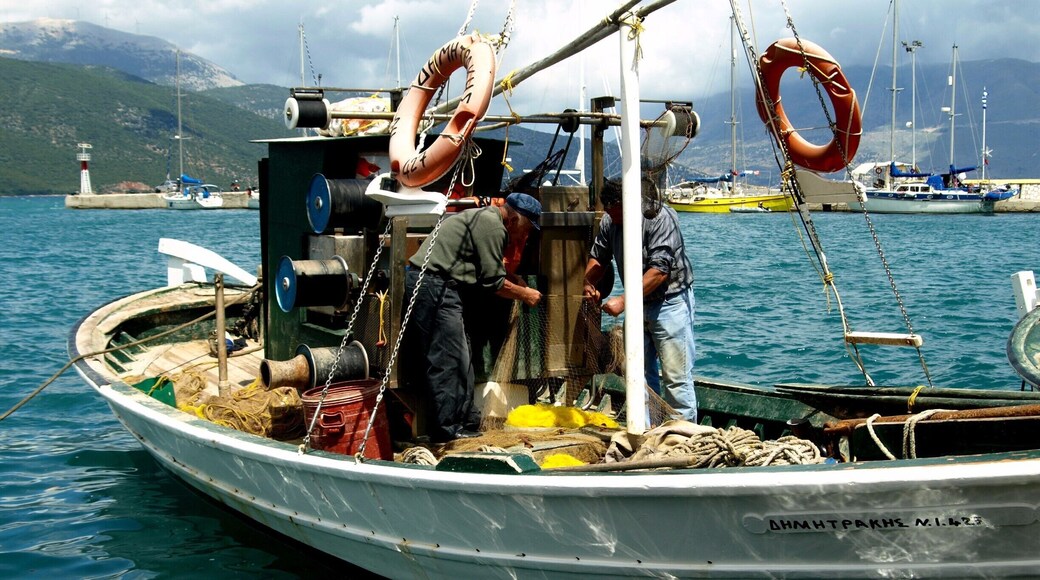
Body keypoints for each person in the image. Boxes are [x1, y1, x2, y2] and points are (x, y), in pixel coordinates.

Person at [400, 192, 543, 442]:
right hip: (433, 285)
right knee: (448, 358)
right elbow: (494, 284)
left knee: (462, 355)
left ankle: (466, 420)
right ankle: (445, 429)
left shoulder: (488, 220)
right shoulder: (493, 228)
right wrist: (525, 294)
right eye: (528, 228)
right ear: (515, 220)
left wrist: (515, 281)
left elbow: (490, 271)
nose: (526, 236)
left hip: (444, 287)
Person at [582, 177, 697, 423]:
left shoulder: (659, 217)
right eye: (609, 213)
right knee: (638, 374)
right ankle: (648, 431)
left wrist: (623, 301)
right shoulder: (609, 221)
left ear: (629, 203)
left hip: (670, 302)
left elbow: (659, 271)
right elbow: (598, 257)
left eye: (615, 212)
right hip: (638, 305)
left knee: (676, 378)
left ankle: (685, 436)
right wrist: (587, 282)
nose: (612, 218)